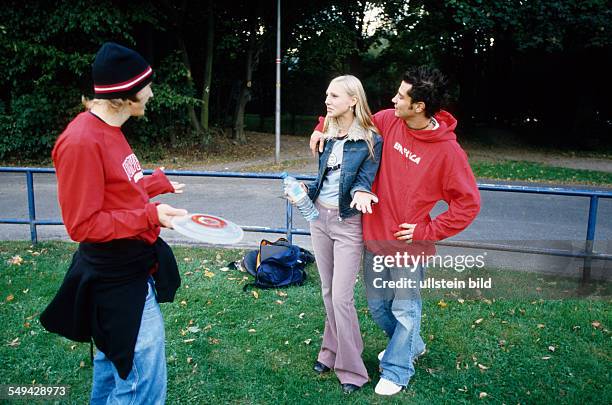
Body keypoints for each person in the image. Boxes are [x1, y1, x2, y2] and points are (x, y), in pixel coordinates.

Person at [310, 66, 481, 395]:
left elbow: (468, 204)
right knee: (378, 307)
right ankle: (411, 343)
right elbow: (351, 119)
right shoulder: (388, 120)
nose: (393, 99)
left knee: (404, 308)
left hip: (409, 246)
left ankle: (398, 369)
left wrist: (427, 229)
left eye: (401, 96)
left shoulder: (448, 152)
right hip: (374, 237)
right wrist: (321, 126)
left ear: (418, 106)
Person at [40, 42, 187, 404]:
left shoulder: (110, 129)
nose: (151, 93)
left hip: (134, 271)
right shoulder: (80, 141)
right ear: (124, 96)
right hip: (113, 280)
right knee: (141, 384)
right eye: (146, 86)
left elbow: (115, 190)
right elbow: (83, 224)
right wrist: (150, 215)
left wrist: (154, 184)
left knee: (112, 370)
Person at [298, 75, 382, 394]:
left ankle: (352, 369)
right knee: (327, 292)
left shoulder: (371, 139)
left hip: (348, 223)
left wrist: (362, 192)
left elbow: (364, 177)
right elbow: (325, 178)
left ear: (353, 101)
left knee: (342, 297)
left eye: (334, 96)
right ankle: (329, 352)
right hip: (318, 217)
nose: (327, 101)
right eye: (326, 94)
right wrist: (305, 190)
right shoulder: (327, 134)